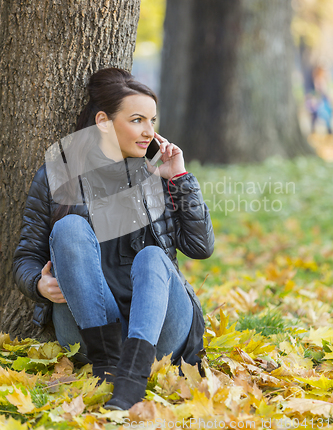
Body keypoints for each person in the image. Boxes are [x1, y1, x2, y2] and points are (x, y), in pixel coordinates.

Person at [12, 67, 215, 411]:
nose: (149, 131)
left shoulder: (158, 170)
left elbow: (200, 247)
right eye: (137, 120)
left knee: (152, 257)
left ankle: (133, 376)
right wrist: (38, 285)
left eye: (152, 120)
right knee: (68, 229)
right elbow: (27, 256)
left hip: (159, 327)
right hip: (88, 326)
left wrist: (178, 177)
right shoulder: (59, 173)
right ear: (104, 121)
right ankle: (108, 368)